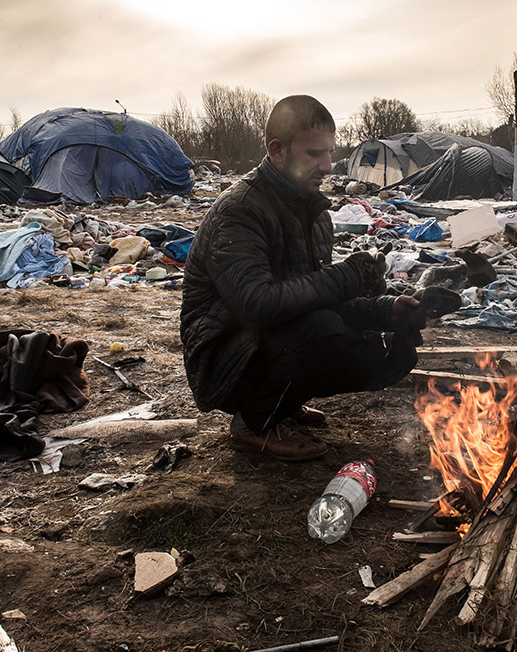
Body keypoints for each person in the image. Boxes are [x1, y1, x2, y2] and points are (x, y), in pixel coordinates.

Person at [180, 95, 432, 461]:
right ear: (278, 151)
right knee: (324, 330)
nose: (328, 166)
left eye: (330, 153)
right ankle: (254, 423)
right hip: (222, 360)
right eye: (315, 154)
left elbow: (314, 295)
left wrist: (386, 310)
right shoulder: (240, 210)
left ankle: (284, 404)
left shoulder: (313, 212)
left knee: (368, 344)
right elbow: (257, 305)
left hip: (260, 344)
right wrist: (347, 276)